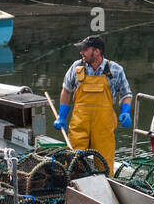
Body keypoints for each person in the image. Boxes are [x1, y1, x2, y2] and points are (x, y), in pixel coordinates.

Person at [54, 35, 132, 171]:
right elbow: (66, 91)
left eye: (85, 49)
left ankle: (105, 188)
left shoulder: (115, 70)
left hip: (103, 128)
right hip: (79, 126)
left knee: (105, 165)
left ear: (96, 51)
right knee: (73, 163)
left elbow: (126, 94)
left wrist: (126, 111)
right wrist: (61, 116)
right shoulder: (76, 67)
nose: (81, 52)